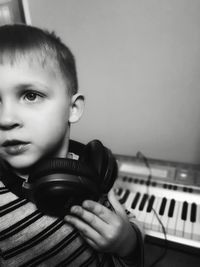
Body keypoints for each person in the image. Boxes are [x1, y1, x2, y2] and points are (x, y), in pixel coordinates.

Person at [0, 24, 143, 266]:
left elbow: (126, 224)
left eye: (31, 95)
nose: (6, 119)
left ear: (72, 108)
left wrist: (126, 241)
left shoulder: (93, 169)